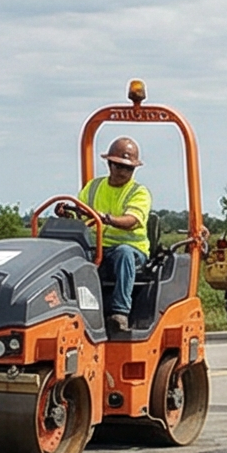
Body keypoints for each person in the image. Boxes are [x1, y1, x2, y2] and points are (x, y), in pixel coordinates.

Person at [75, 137, 151, 334]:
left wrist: (106, 218)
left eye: (128, 168)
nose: (123, 172)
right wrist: (68, 213)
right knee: (71, 254)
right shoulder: (93, 187)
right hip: (97, 247)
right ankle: (75, 308)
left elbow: (132, 220)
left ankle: (119, 312)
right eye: (118, 166)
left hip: (133, 252)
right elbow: (79, 211)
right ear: (109, 164)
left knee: (123, 253)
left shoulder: (139, 192)